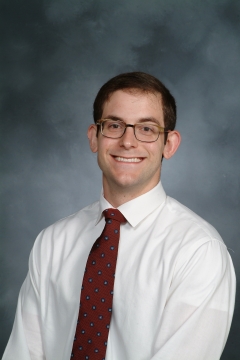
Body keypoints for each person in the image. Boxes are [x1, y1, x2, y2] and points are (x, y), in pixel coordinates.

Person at [3, 72, 236, 360]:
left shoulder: (198, 251)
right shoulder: (52, 242)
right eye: (114, 125)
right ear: (94, 138)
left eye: (147, 129)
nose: (128, 141)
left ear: (169, 144)